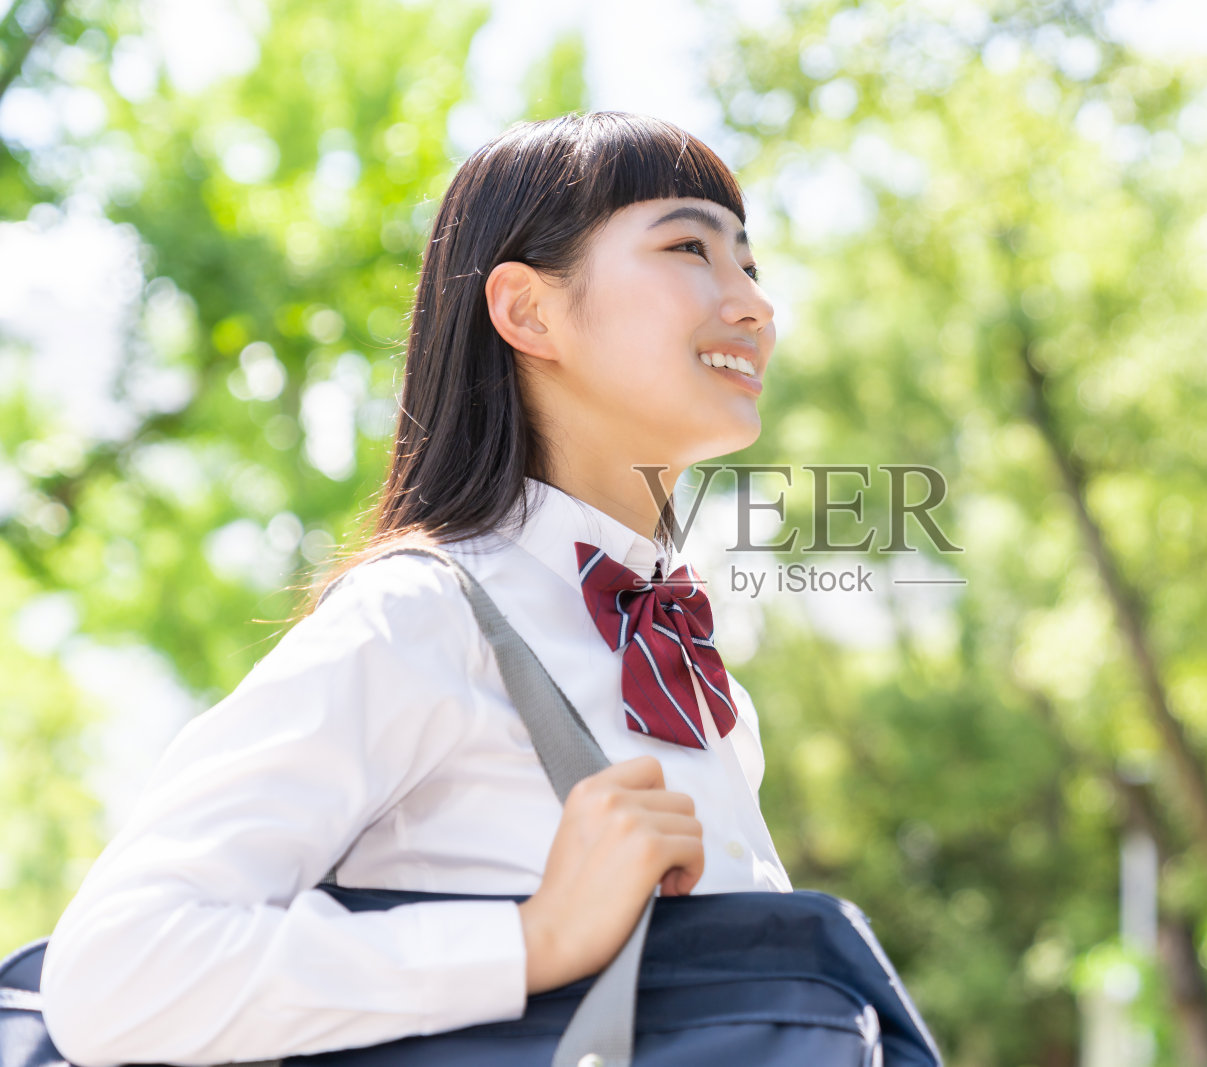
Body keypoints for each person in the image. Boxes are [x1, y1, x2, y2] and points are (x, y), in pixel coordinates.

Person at [39, 110, 789, 1067]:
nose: (754, 304)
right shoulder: (423, 615)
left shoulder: (708, 688)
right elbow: (115, 970)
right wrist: (532, 939)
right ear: (528, 311)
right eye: (691, 248)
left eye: (750, 263)